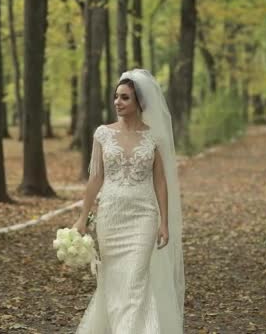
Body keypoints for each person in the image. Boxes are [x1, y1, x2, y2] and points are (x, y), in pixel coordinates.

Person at [73, 69, 185, 333]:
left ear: (139, 103)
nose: (117, 103)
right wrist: (82, 217)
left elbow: (160, 182)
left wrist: (164, 223)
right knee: (112, 283)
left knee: (135, 282)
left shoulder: (154, 137)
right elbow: (95, 178)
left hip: (143, 217)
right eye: (116, 97)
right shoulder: (102, 134)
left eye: (124, 98)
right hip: (110, 216)